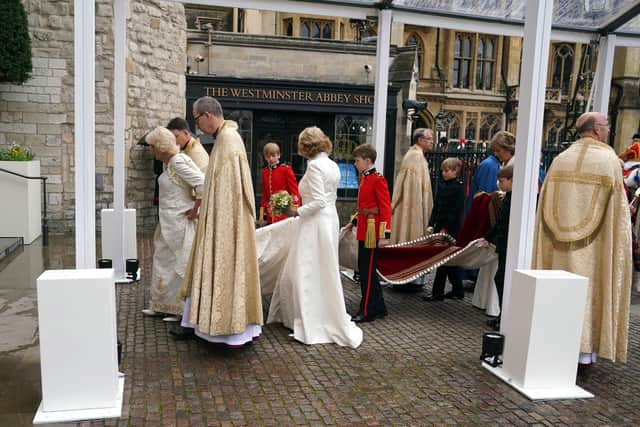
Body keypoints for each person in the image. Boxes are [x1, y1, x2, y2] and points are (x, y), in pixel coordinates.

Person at [532, 111, 632, 372]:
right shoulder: (608, 159)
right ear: (597, 129)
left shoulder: (560, 159)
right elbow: (618, 213)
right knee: (589, 292)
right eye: (607, 125)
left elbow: (543, 204)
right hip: (595, 246)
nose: (609, 129)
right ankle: (584, 355)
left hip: (556, 245)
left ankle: (555, 347)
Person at [267, 126, 363, 348]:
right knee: (322, 268)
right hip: (328, 219)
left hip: (315, 222)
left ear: (305, 146)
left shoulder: (314, 167)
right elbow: (327, 199)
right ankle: (314, 313)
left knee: (306, 268)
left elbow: (318, 201)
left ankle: (308, 318)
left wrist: (295, 211)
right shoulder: (331, 164)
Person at [178, 96, 263, 346]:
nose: (197, 127)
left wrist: (218, 225)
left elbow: (228, 193)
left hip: (226, 222)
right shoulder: (227, 138)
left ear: (207, 116)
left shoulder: (227, 141)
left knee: (225, 265)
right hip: (222, 217)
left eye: (197, 120)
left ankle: (228, 331)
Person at [142, 127, 204, 321]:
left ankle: (178, 310)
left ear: (161, 147)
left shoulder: (178, 162)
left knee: (179, 264)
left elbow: (202, 183)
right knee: (163, 262)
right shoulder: (168, 164)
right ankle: (161, 304)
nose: (151, 150)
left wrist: (195, 211)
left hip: (179, 223)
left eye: (153, 146)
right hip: (167, 221)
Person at [349, 143, 391, 323]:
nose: (355, 164)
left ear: (367, 161)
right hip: (365, 229)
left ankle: (367, 311)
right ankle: (379, 307)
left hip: (373, 233)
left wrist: (384, 235)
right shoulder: (365, 177)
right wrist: (354, 221)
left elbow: (385, 208)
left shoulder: (377, 179)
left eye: (357, 161)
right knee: (367, 271)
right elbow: (365, 207)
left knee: (366, 273)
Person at [423, 157, 466, 302]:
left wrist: (446, 228)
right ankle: (457, 289)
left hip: (451, 228)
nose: (444, 173)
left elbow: (455, 211)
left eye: (447, 171)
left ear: (455, 171)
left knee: (443, 261)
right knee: (446, 261)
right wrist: (431, 223)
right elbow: (437, 207)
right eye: (443, 170)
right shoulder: (441, 186)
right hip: (440, 226)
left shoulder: (459, 188)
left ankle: (438, 292)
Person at [480, 165, 513, 330]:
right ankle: (502, 315)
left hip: (508, 246)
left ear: (512, 180)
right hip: (503, 244)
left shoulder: (513, 198)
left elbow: (504, 222)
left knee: (501, 280)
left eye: (502, 181)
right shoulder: (508, 197)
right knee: (500, 280)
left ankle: (504, 316)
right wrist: (488, 236)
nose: (498, 184)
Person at [390, 128, 434, 244]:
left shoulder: (416, 154)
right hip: (412, 203)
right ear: (420, 140)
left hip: (413, 201)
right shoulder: (415, 156)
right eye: (429, 139)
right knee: (411, 225)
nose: (432, 141)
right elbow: (412, 188)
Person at [259, 142, 301, 225]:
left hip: (285, 213)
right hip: (271, 214)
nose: (271, 159)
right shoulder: (265, 172)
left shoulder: (286, 170)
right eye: (268, 156)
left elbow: (294, 192)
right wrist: (262, 216)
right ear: (265, 157)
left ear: (278, 155)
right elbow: (265, 195)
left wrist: (293, 211)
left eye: (273, 156)